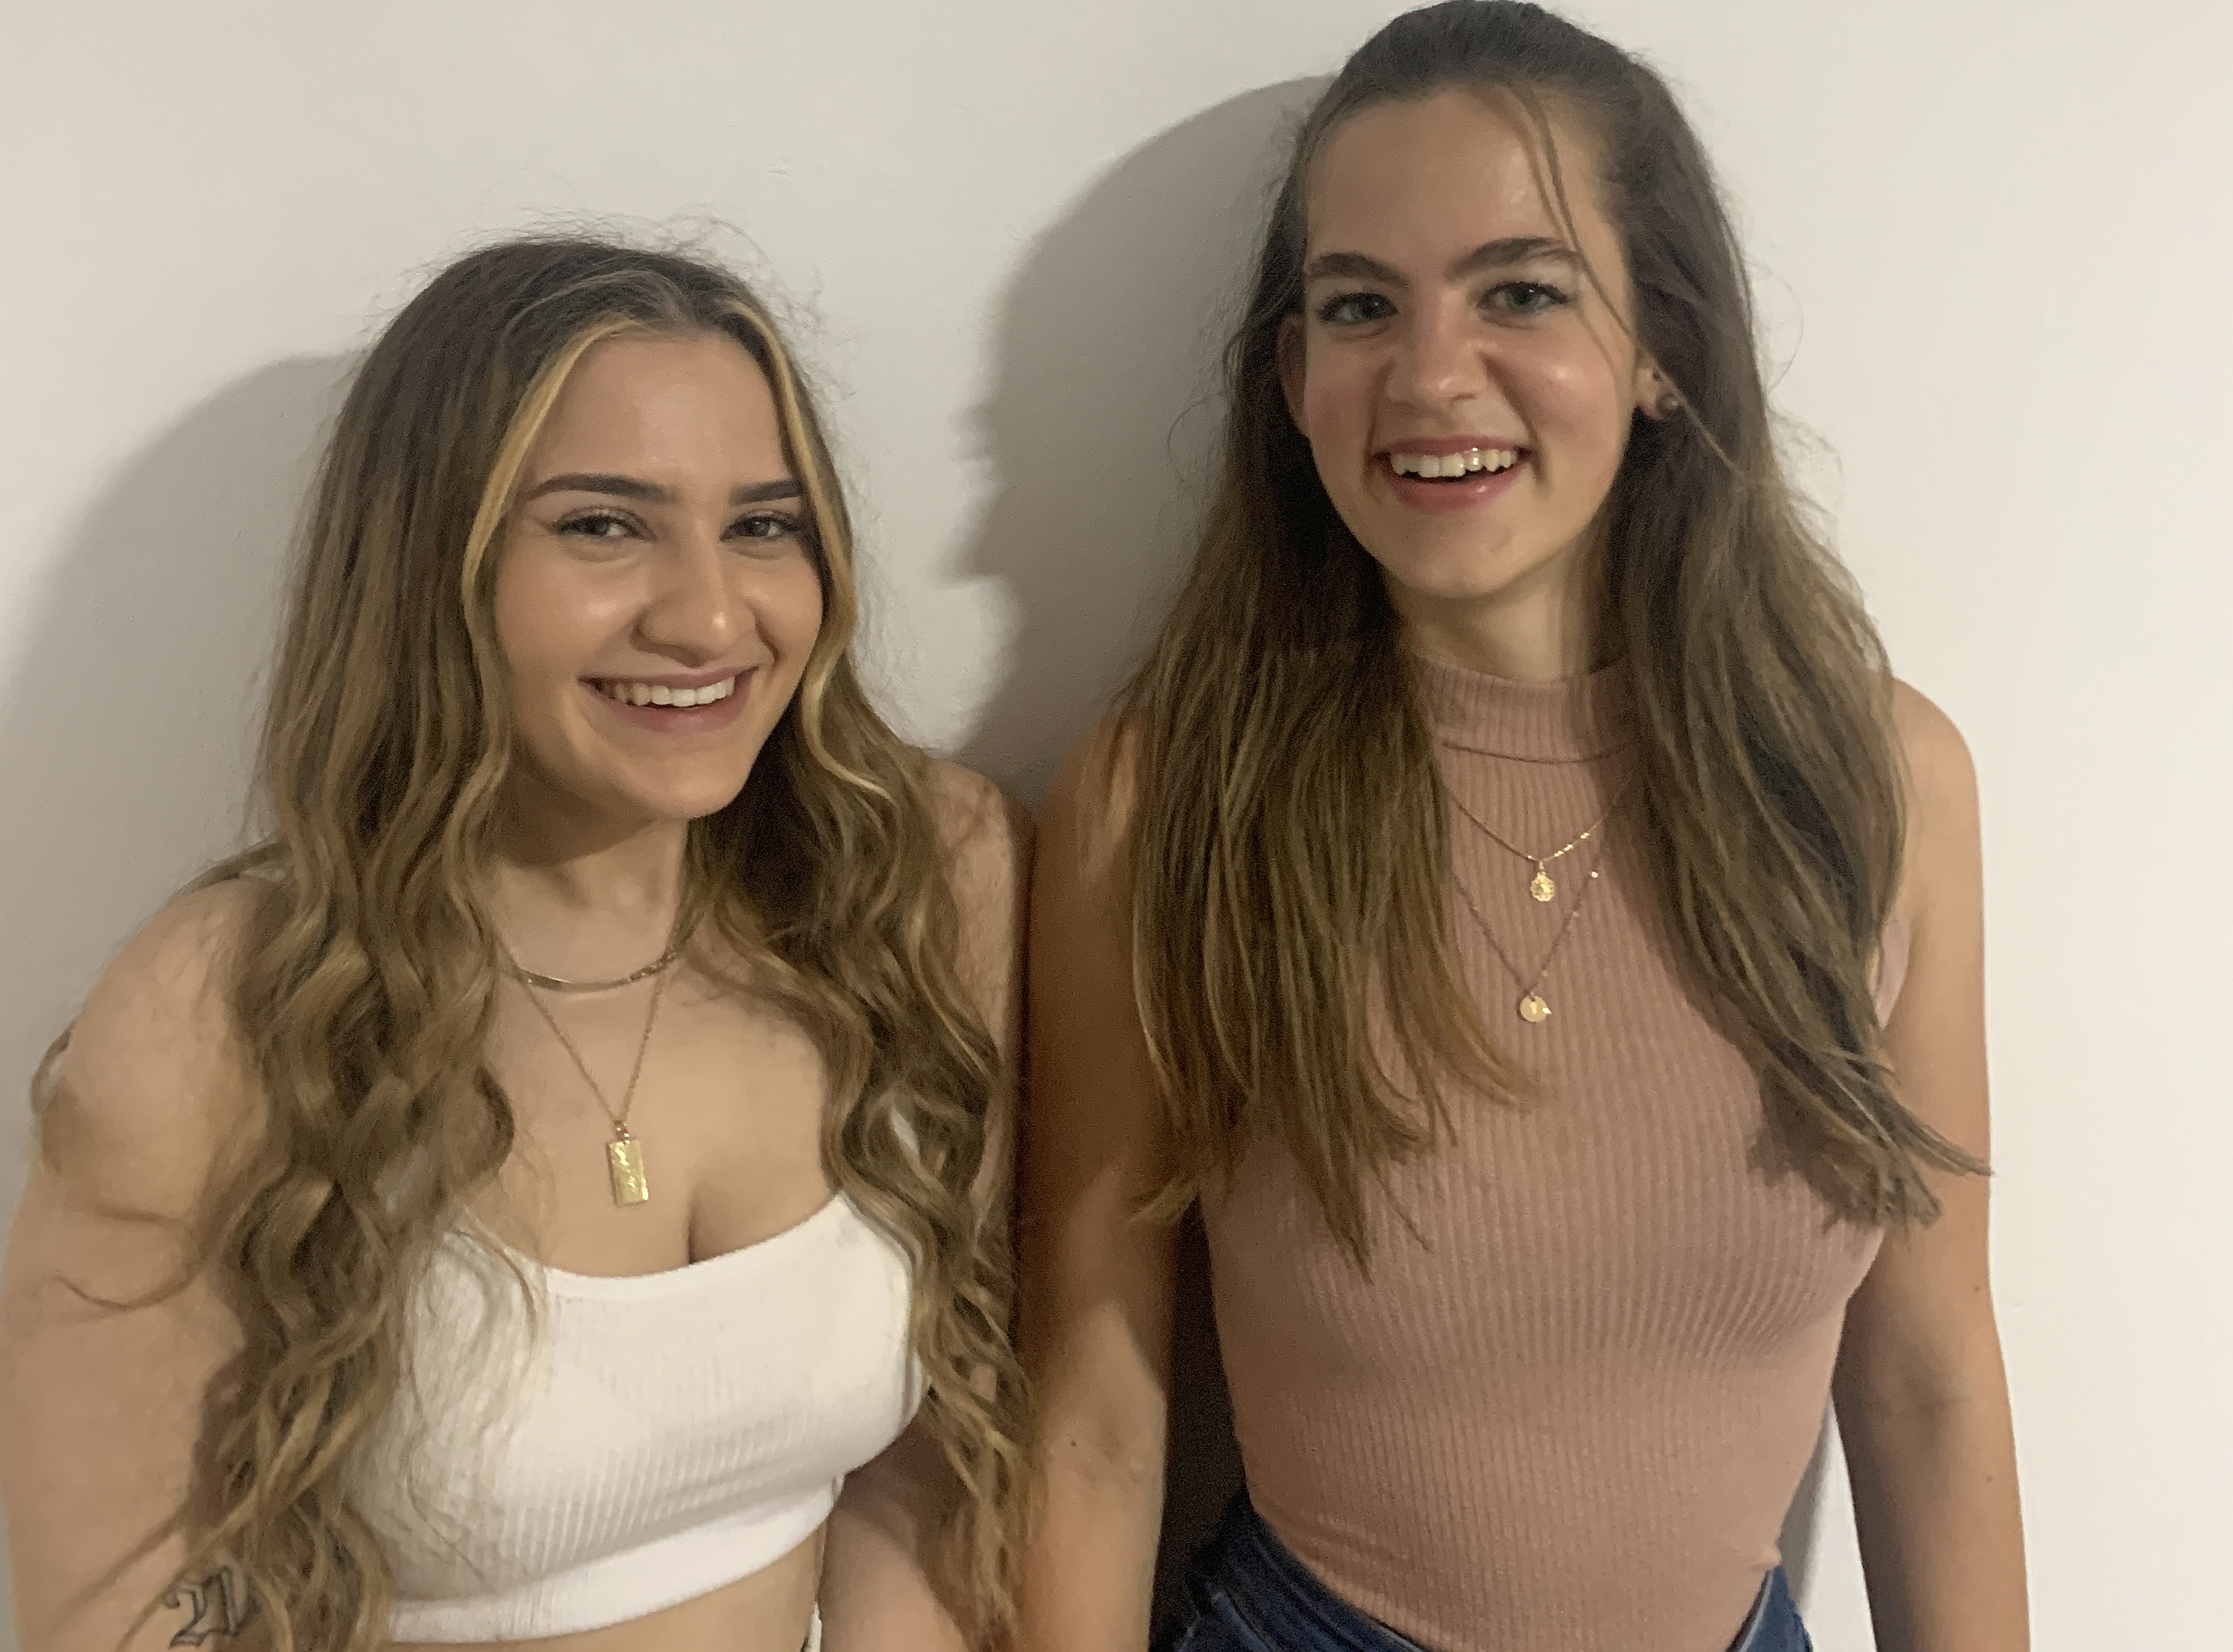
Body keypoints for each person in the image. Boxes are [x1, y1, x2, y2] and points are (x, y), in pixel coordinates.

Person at [1017, 4, 2026, 1650]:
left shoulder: (1879, 783)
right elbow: (1096, 1410)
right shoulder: (1166, 800)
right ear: (1292, 376)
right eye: (1360, 305)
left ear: (1662, 346)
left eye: (1523, 291)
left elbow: (1929, 1376)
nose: (1429, 375)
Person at [1, 238, 1029, 1652]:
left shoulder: (916, 884)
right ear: (435, 564)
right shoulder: (217, 1010)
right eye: (604, 525)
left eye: (763, 525)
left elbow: (928, 1471)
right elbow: (124, 1617)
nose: (709, 616)